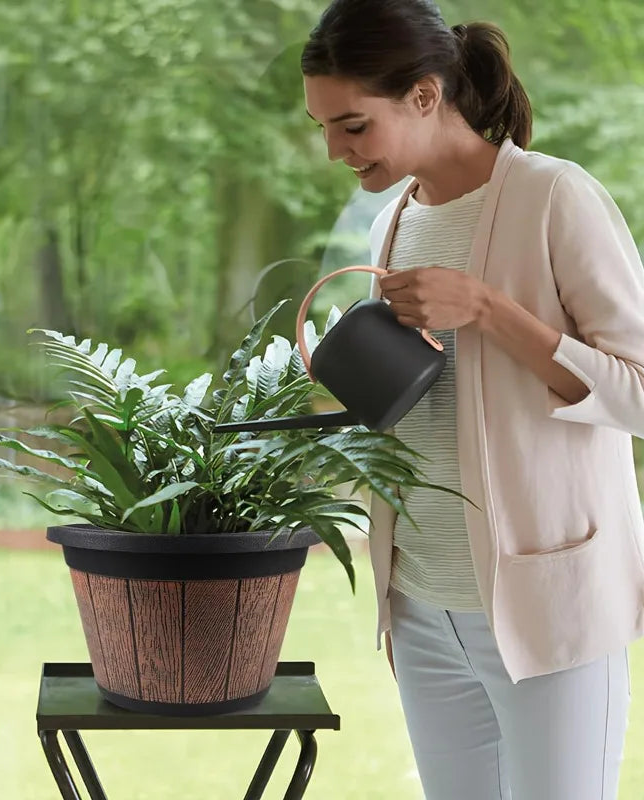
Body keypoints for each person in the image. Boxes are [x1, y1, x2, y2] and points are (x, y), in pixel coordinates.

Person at [301, 1, 644, 798]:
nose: (333, 151)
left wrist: (490, 310)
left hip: (546, 611)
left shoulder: (554, 196)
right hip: (421, 606)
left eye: (353, 126)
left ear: (426, 95)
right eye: (322, 127)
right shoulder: (392, 223)